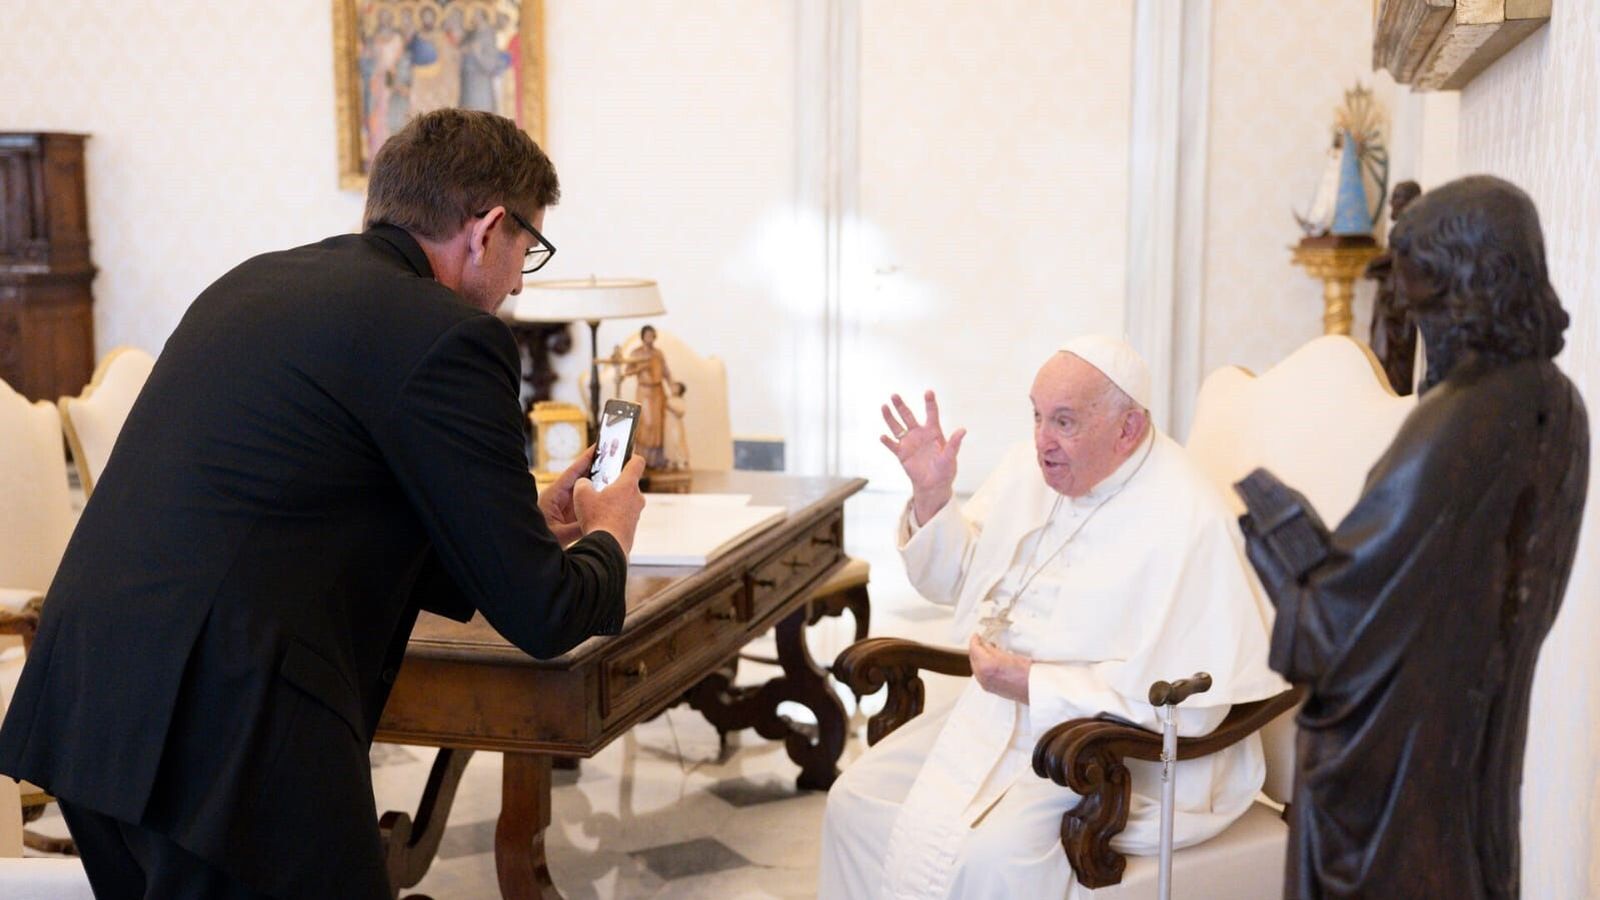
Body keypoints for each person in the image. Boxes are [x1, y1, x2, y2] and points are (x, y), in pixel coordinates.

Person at [0, 108, 646, 900]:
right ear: (487, 229)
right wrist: (609, 537)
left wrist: (516, 520)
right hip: (223, 734)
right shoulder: (449, 335)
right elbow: (543, 614)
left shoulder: (252, 281)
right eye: (528, 250)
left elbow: (310, 495)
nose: (518, 281)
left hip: (90, 700)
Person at [819, 335, 1286, 900]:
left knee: (989, 860)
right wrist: (933, 496)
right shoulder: (1027, 471)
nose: (1043, 442)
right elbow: (955, 581)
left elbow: (1189, 712)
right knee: (853, 802)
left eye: (1064, 422)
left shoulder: (1190, 516)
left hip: (1106, 753)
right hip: (996, 718)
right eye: (1037, 416)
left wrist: (1037, 684)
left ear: (1128, 429)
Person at [1237, 175, 1586, 899]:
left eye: (1423, 305)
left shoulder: (1458, 423)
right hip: (1470, 728)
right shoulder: (1556, 399)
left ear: (1465, 288)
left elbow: (1331, 633)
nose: (1420, 330)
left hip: (1398, 766)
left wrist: (1278, 536)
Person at [623, 324, 673, 469]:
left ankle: (656, 460)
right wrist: (641, 367)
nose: (650, 338)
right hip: (644, 391)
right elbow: (627, 372)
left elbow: (666, 371)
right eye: (647, 335)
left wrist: (672, 386)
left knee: (658, 425)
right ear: (643, 336)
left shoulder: (658, 353)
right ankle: (642, 460)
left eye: (652, 335)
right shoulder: (636, 353)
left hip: (658, 391)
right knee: (647, 423)